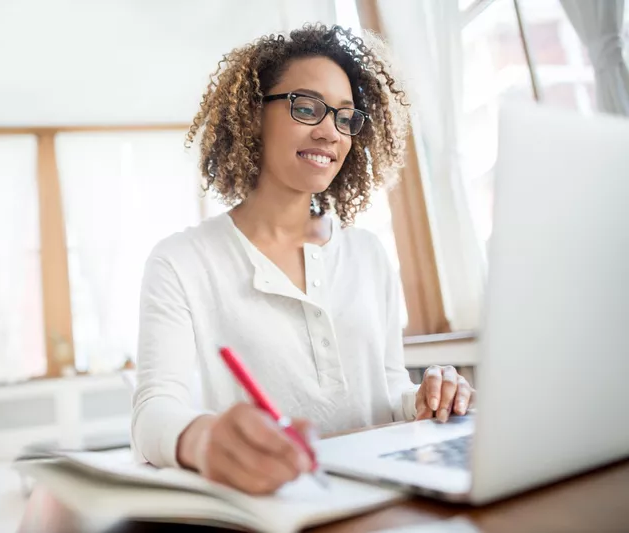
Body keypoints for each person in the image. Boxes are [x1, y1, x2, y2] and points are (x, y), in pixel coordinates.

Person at [131, 24, 474, 495]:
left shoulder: (367, 254)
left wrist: (425, 396)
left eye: (346, 117)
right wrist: (204, 439)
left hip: (385, 493)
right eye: (307, 107)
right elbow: (153, 410)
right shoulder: (182, 261)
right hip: (277, 502)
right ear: (254, 115)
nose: (330, 131)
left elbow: (388, 387)